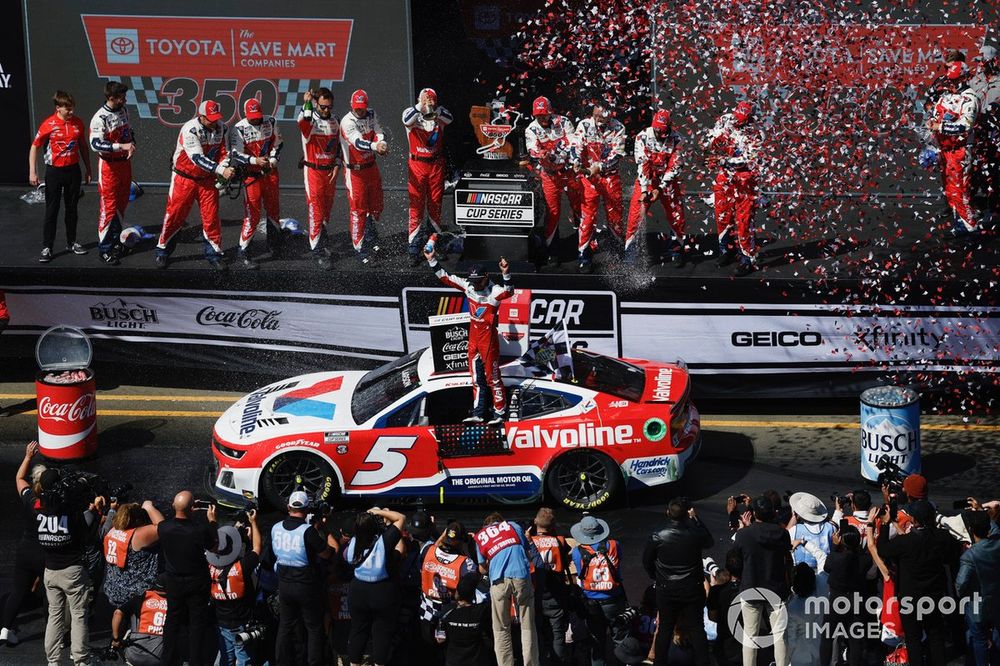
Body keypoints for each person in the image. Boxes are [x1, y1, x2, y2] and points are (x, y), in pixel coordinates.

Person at [424, 250, 513, 424]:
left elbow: (509, 292)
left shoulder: (494, 291)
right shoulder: (468, 286)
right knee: (475, 380)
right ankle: (479, 413)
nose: (475, 285)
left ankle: (500, 414)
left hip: (489, 341)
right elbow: (445, 277)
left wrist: (506, 273)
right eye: (473, 281)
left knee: (493, 379)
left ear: (486, 277)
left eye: (478, 281)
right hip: (473, 341)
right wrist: (432, 259)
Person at [874, 499, 960, 666]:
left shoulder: (906, 542)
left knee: (913, 640)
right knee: (936, 636)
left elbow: (883, 549)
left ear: (914, 519)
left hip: (910, 599)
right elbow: (952, 555)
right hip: (934, 597)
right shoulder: (942, 538)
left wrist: (885, 525)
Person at [155, 99, 234, 270]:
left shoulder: (222, 128)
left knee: (211, 217)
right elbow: (197, 159)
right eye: (210, 118)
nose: (214, 121)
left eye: (216, 117)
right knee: (175, 215)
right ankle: (163, 251)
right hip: (184, 179)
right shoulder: (190, 129)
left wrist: (226, 166)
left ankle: (214, 253)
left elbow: (224, 152)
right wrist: (221, 170)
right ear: (201, 116)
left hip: (207, 181)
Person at [36, 466, 100, 665]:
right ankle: (81, 660)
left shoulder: (37, 508)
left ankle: (52, 661)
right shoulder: (71, 511)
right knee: (79, 615)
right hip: (72, 570)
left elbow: (23, 488)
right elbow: (88, 534)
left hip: (50, 570)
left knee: (54, 616)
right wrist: (95, 513)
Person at [642, 498, 713, 666]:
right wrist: (696, 519)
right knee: (696, 628)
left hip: (667, 590)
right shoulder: (695, 533)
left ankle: (660, 662)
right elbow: (709, 541)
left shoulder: (657, 535)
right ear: (686, 515)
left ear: (668, 513)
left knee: (665, 628)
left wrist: (658, 577)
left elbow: (646, 562)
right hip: (692, 589)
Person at [269, 490, 332, 666]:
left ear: (288, 507)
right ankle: (314, 662)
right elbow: (325, 554)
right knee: (313, 628)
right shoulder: (308, 531)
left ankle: (281, 662)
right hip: (305, 585)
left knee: (285, 626)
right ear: (306, 510)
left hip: (285, 584)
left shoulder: (276, 528)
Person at [29, 90, 92, 263]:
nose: (71, 112)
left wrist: (88, 169)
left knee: (72, 209)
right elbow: (34, 147)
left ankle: (71, 243)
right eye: (68, 109)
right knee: (52, 210)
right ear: (58, 108)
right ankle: (47, 247)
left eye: (73, 108)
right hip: (54, 172)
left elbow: (83, 147)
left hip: (73, 171)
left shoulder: (78, 123)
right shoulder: (48, 124)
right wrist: (32, 171)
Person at [157, 490, 218, 666]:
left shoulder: (164, 528)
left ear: (173, 506)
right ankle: (196, 661)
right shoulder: (199, 530)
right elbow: (214, 546)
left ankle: (166, 660)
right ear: (193, 508)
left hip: (174, 581)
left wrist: (188, 508)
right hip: (197, 581)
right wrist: (212, 522)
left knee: (172, 620)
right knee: (197, 623)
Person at [732, 495, 792, 666]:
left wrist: (745, 528)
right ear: (772, 512)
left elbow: (737, 557)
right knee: (780, 636)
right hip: (776, 589)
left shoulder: (743, 535)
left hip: (751, 588)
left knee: (750, 636)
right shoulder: (781, 533)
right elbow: (786, 556)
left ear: (753, 513)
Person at [704, 101, 762, 277]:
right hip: (724, 176)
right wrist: (710, 150)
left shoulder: (756, 133)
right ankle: (725, 251)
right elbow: (711, 139)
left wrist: (722, 160)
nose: (737, 122)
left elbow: (748, 160)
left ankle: (747, 259)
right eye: (736, 117)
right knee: (722, 214)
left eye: (741, 120)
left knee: (744, 220)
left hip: (745, 178)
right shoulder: (725, 120)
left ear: (749, 119)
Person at [522, 96, 582, 265]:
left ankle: (584, 246)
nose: (542, 118)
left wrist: (560, 153)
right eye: (538, 115)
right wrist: (541, 153)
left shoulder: (563, 122)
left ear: (550, 112)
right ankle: (553, 251)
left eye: (544, 114)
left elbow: (574, 143)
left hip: (569, 171)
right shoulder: (531, 129)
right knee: (553, 213)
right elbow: (532, 149)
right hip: (549, 175)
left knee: (579, 206)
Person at [344, 507, 407, 666]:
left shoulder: (353, 543)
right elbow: (401, 517)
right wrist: (379, 512)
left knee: (358, 631)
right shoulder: (384, 542)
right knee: (381, 633)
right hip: (382, 592)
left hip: (358, 590)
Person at [475, 511, 540, 666]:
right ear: (500, 521)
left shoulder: (480, 536)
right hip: (521, 576)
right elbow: (526, 550)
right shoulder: (513, 525)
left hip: (498, 581)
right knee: (527, 625)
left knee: (501, 629)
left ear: (486, 525)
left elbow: (482, 570)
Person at [928, 60, 981, 237]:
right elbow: (934, 118)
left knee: (961, 191)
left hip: (961, 150)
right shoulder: (945, 96)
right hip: (944, 150)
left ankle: (971, 228)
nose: (951, 83)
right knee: (950, 191)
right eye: (949, 79)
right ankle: (959, 225)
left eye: (955, 79)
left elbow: (965, 126)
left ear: (964, 78)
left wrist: (940, 127)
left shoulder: (970, 98)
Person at [627, 109, 686, 267]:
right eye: (657, 129)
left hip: (666, 182)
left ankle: (676, 250)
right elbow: (642, 164)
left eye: (662, 130)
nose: (659, 133)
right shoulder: (642, 137)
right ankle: (630, 252)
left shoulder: (678, 139)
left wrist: (659, 188)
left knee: (677, 216)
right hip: (646, 181)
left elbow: (674, 167)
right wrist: (646, 190)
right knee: (635, 215)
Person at [572, 100, 625, 273]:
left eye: (601, 117)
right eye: (595, 116)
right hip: (589, 179)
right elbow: (576, 146)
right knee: (588, 216)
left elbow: (617, 155)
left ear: (609, 115)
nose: (598, 120)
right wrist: (576, 161)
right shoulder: (584, 125)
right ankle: (584, 254)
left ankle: (617, 251)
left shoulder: (619, 128)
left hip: (610, 177)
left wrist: (600, 167)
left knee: (615, 215)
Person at [231, 98, 283, 270]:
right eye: (252, 117)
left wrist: (273, 159)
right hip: (251, 176)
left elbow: (278, 143)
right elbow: (236, 154)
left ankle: (274, 244)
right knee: (252, 214)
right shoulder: (239, 129)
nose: (256, 119)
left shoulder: (271, 121)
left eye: (258, 116)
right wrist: (255, 160)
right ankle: (244, 251)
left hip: (270, 174)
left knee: (273, 209)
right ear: (246, 115)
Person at [1, 441, 44, 646]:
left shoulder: (29, 498)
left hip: (26, 550)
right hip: (47, 553)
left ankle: (5, 629)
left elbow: (19, 478)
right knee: (51, 593)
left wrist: (28, 457)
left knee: (17, 591)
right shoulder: (57, 502)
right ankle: (58, 632)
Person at [404, 87, 453, 265]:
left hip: (435, 165)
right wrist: (421, 107)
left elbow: (450, 119)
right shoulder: (411, 112)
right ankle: (413, 248)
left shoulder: (439, 114)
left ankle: (433, 244)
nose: (429, 102)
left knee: (435, 205)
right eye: (426, 99)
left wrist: (435, 109)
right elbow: (406, 120)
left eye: (431, 99)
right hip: (417, 164)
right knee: (416, 206)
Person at [570, 514, 627, 666]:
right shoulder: (615, 545)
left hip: (591, 602)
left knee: (596, 641)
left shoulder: (577, 552)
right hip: (614, 598)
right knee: (620, 638)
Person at [89, 80, 135, 265]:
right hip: (108, 167)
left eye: (124, 97)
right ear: (110, 98)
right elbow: (95, 144)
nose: (124, 100)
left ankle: (115, 242)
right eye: (121, 97)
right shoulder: (100, 118)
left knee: (121, 205)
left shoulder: (123, 111)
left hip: (124, 164)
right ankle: (105, 249)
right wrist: (120, 145)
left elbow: (128, 131)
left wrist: (132, 143)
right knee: (108, 208)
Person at [340, 89, 388, 263]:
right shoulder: (347, 121)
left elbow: (379, 130)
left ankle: (370, 236)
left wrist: (381, 141)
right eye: (357, 107)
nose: (360, 111)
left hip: (371, 167)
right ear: (351, 105)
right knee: (358, 210)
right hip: (355, 172)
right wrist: (376, 147)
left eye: (362, 107)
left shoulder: (371, 114)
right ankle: (360, 249)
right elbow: (358, 142)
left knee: (375, 207)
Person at [298, 87, 342, 269]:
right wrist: (307, 102)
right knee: (316, 211)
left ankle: (322, 243)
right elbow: (305, 121)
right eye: (323, 107)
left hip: (329, 171)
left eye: (329, 107)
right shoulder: (307, 117)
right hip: (313, 171)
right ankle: (317, 251)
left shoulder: (336, 120)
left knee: (326, 210)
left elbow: (339, 146)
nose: (326, 110)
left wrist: (337, 164)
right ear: (316, 103)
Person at [209, 515, 262, 666]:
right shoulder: (241, 568)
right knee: (244, 657)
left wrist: (212, 522)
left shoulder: (209, 569)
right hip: (241, 622)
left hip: (221, 621)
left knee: (226, 654)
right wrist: (253, 522)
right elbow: (257, 548)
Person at [419, 522, 478, 650]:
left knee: (428, 652)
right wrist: (471, 546)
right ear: (461, 541)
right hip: (450, 615)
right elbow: (475, 576)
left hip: (426, 613)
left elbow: (436, 547)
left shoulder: (428, 551)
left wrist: (443, 536)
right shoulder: (466, 563)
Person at [956, 502, 1000, 666]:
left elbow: (961, 583)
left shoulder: (970, 555)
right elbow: (994, 529)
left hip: (977, 602)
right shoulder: (997, 542)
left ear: (971, 531)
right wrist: (981, 511)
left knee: (978, 638)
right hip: (996, 598)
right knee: (997, 633)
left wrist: (962, 595)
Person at [527, 507, 572, 665]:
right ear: (553, 525)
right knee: (558, 634)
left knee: (537, 633)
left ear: (535, 522)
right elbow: (566, 559)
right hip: (556, 593)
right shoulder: (559, 540)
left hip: (536, 593)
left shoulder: (530, 542)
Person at [819, 525, 868, 666]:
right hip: (856, 600)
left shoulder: (836, 557)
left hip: (836, 600)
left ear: (842, 541)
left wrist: (835, 547)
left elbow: (827, 568)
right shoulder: (864, 559)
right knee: (855, 638)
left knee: (827, 637)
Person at [102, 500, 164, 610]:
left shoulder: (112, 531)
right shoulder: (138, 535)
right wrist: (149, 507)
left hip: (114, 589)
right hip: (136, 593)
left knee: (119, 615)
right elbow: (164, 527)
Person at [111, 575, 169, 666]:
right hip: (158, 659)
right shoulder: (174, 602)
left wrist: (116, 639)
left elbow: (117, 613)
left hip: (134, 656)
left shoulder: (141, 598)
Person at [439, 572, 493, 666]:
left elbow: (440, 639)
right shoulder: (481, 612)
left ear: (457, 593)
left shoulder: (447, 611)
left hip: (453, 662)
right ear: (473, 594)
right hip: (476, 661)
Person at [787, 492, 834, 570]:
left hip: (800, 574)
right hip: (824, 572)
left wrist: (794, 517)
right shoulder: (831, 528)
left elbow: (782, 536)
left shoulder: (794, 530)